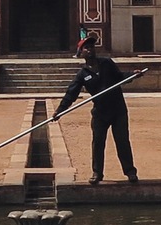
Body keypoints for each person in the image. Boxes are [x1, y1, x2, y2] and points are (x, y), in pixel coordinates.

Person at [56, 35, 139, 184]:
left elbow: (119, 77)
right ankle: (97, 173)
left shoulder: (106, 63)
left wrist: (132, 75)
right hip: (100, 113)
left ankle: (130, 172)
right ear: (80, 53)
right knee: (98, 143)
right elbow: (71, 93)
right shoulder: (82, 75)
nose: (90, 49)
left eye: (92, 47)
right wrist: (60, 110)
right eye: (86, 47)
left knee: (122, 141)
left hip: (118, 110)